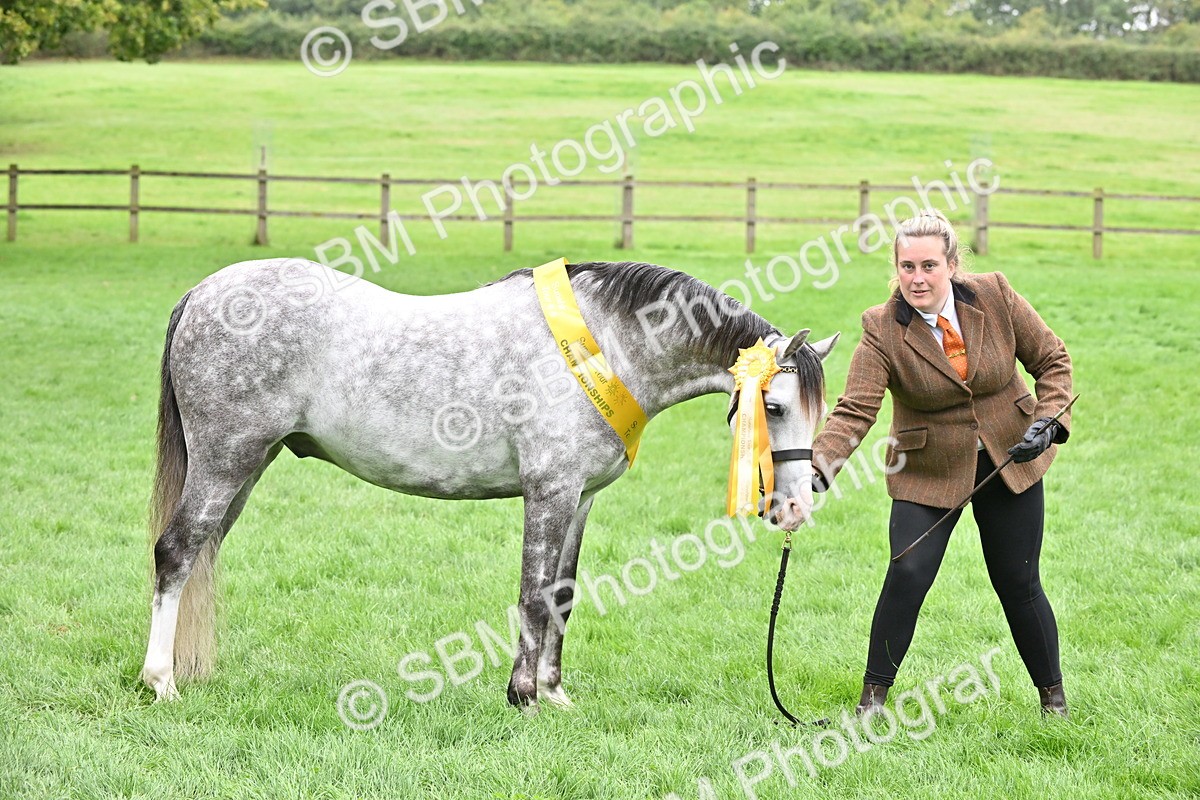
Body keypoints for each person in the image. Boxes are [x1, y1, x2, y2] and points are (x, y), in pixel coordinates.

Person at [811, 209, 1073, 719]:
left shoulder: (995, 294)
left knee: (1018, 582)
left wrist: (1048, 421)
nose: (917, 278)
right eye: (907, 266)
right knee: (907, 572)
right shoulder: (881, 327)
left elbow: (1053, 360)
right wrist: (817, 466)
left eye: (929, 265)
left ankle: (1053, 701)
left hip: (1008, 462)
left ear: (952, 265)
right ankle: (872, 702)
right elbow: (856, 408)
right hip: (926, 470)